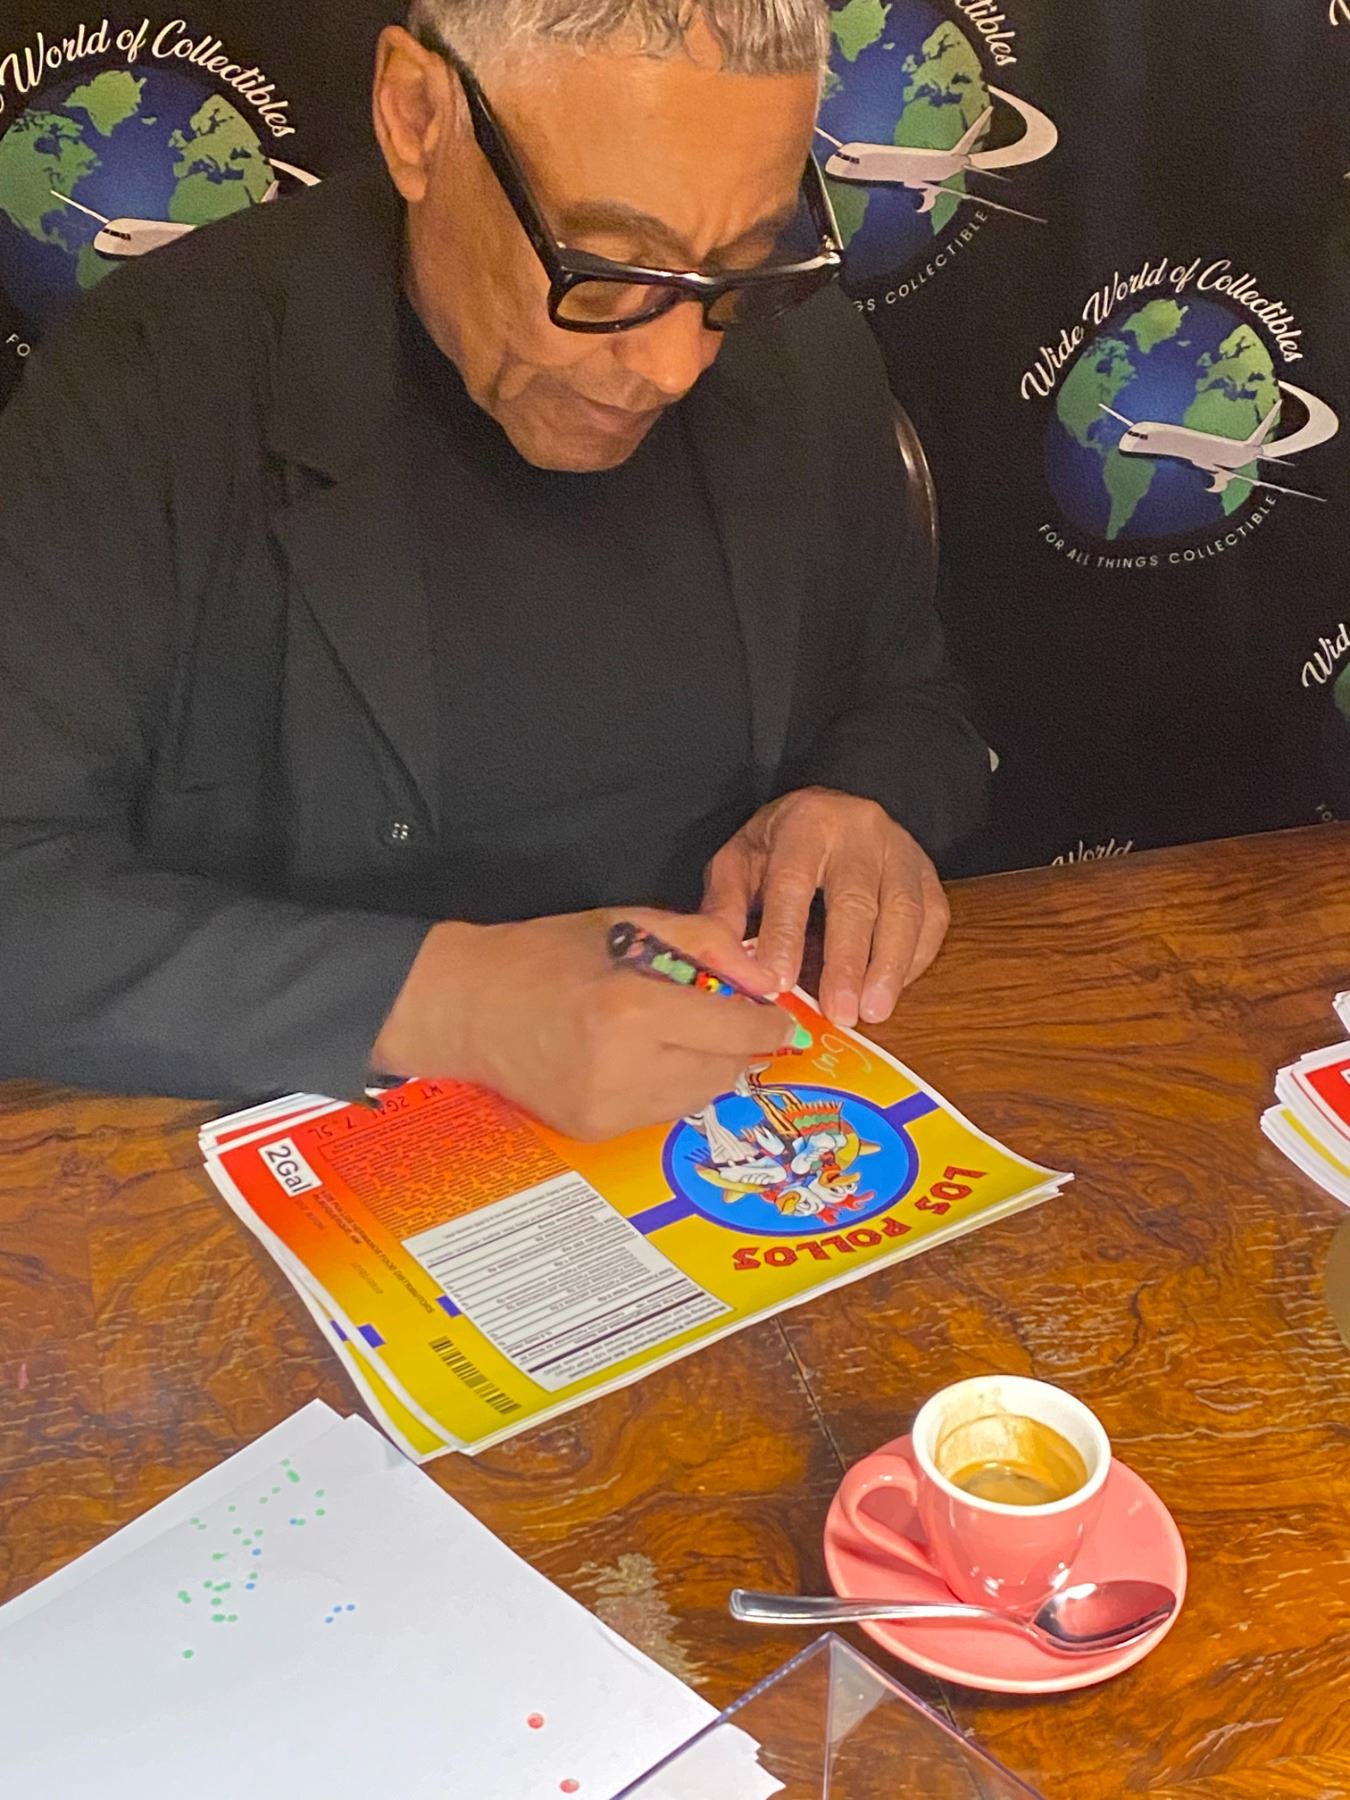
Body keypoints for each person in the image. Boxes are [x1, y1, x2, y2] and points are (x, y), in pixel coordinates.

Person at [0, 0, 989, 1136]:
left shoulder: (800, 350)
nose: (673, 365)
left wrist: (861, 801)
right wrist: (447, 1002)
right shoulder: (154, 390)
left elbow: (910, 702)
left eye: (740, 265)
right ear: (418, 117)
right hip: (301, 1150)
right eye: (606, 267)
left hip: (728, 1128)